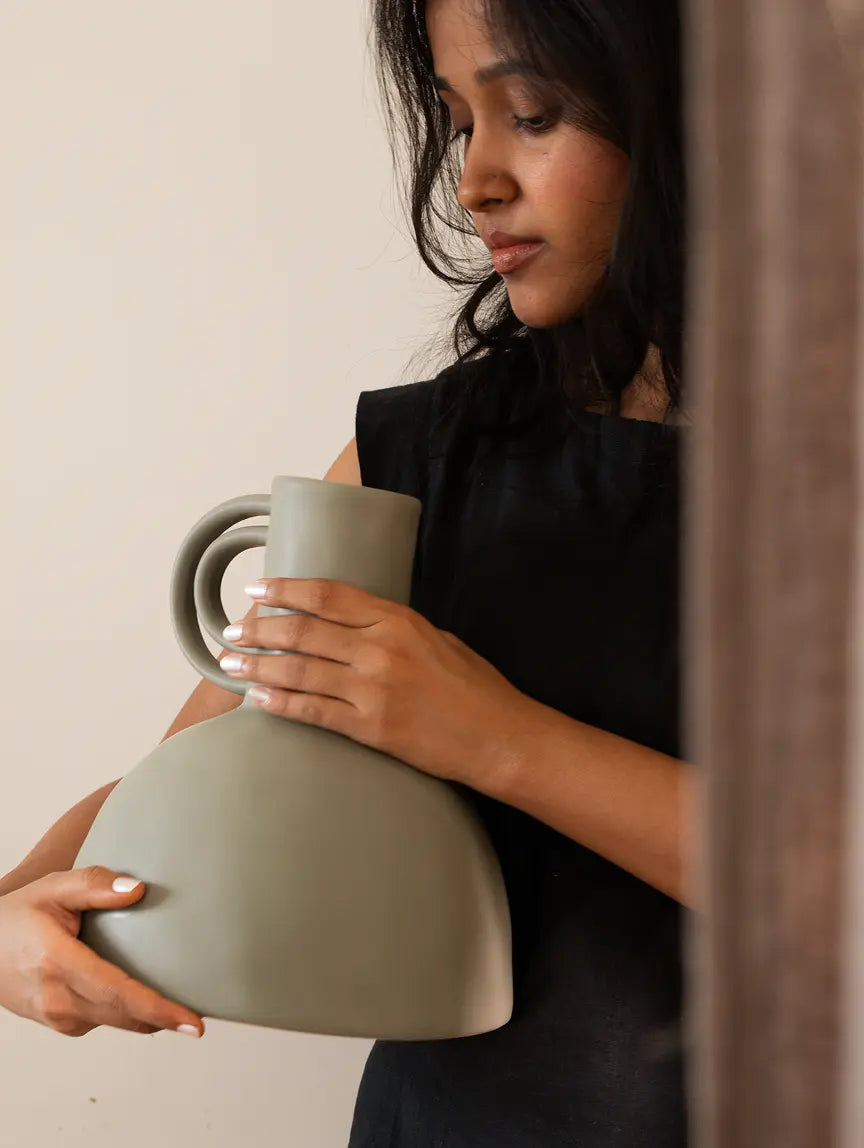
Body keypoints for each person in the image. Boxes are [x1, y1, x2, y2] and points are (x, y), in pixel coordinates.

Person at [0, 0, 695, 1143]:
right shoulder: (420, 454)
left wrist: (490, 732)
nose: (474, 179)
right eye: (457, 119)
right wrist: (22, 924)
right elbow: (180, 775)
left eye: (530, 113)